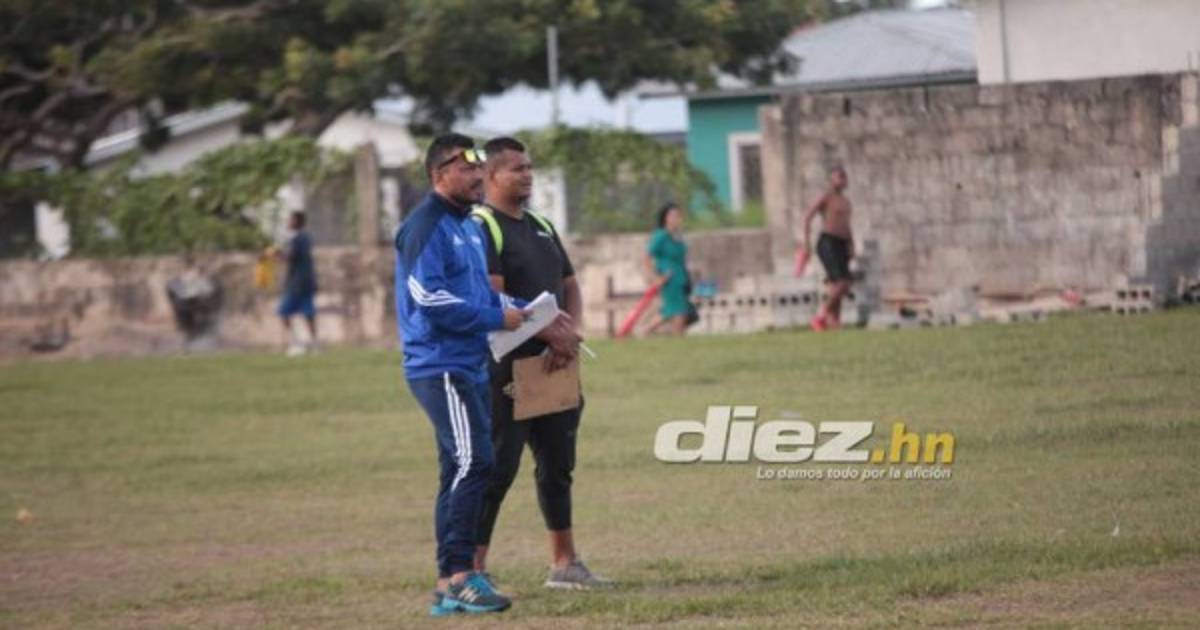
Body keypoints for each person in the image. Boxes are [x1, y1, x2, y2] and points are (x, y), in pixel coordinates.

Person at [394, 133, 527, 616]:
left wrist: (527, 309)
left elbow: (478, 294)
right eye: (465, 167)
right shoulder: (425, 225)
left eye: (478, 167)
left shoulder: (469, 225)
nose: (476, 176)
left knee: (459, 467)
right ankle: (461, 576)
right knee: (477, 463)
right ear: (439, 174)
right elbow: (428, 299)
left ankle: (446, 583)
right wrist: (496, 318)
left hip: (468, 362)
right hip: (440, 364)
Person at [469, 137, 610, 590]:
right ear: (491, 175)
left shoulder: (542, 225)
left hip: (557, 363)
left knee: (557, 465)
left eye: (530, 167)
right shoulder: (483, 227)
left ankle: (564, 563)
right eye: (517, 168)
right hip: (508, 369)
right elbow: (493, 297)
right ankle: (472, 569)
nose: (527, 175)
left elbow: (570, 285)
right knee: (498, 469)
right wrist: (549, 333)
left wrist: (572, 333)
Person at [801, 166, 854, 331]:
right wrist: (806, 244)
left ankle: (834, 321)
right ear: (831, 180)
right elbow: (807, 217)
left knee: (839, 284)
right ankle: (820, 317)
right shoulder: (827, 197)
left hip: (842, 243)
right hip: (828, 242)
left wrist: (851, 245)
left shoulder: (846, 202)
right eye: (837, 177)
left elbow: (846, 226)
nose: (840, 180)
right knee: (842, 283)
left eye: (842, 177)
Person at [644, 203, 690, 335]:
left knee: (673, 311)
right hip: (669, 279)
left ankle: (645, 331)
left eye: (678, 216)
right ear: (665, 218)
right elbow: (646, 257)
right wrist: (655, 278)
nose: (676, 219)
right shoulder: (661, 236)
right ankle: (645, 331)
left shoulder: (677, 237)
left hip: (680, 279)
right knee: (677, 311)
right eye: (673, 216)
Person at [277, 211, 318, 356]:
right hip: (305, 282)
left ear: (297, 222)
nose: (288, 222)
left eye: (290, 220)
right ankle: (313, 343)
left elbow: (290, 256)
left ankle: (296, 343)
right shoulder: (305, 238)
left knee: (284, 312)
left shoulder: (298, 239)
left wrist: (275, 254)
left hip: (296, 283)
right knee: (308, 314)